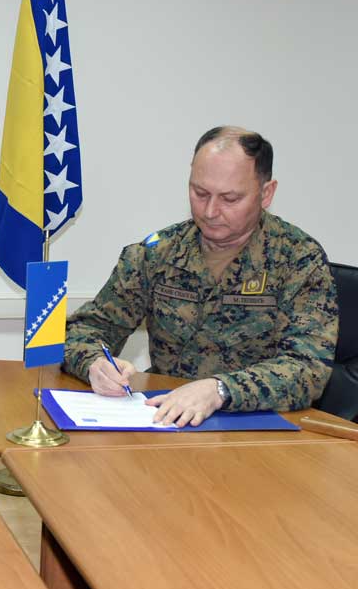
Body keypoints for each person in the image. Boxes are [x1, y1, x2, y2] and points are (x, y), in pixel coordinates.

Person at [63, 126, 338, 427]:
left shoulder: (298, 259)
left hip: (257, 431)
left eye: (230, 198)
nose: (210, 211)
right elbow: (83, 330)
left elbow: (308, 369)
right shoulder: (157, 253)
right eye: (200, 192)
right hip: (165, 424)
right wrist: (94, 364)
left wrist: (220, 390)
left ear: (266, 193)